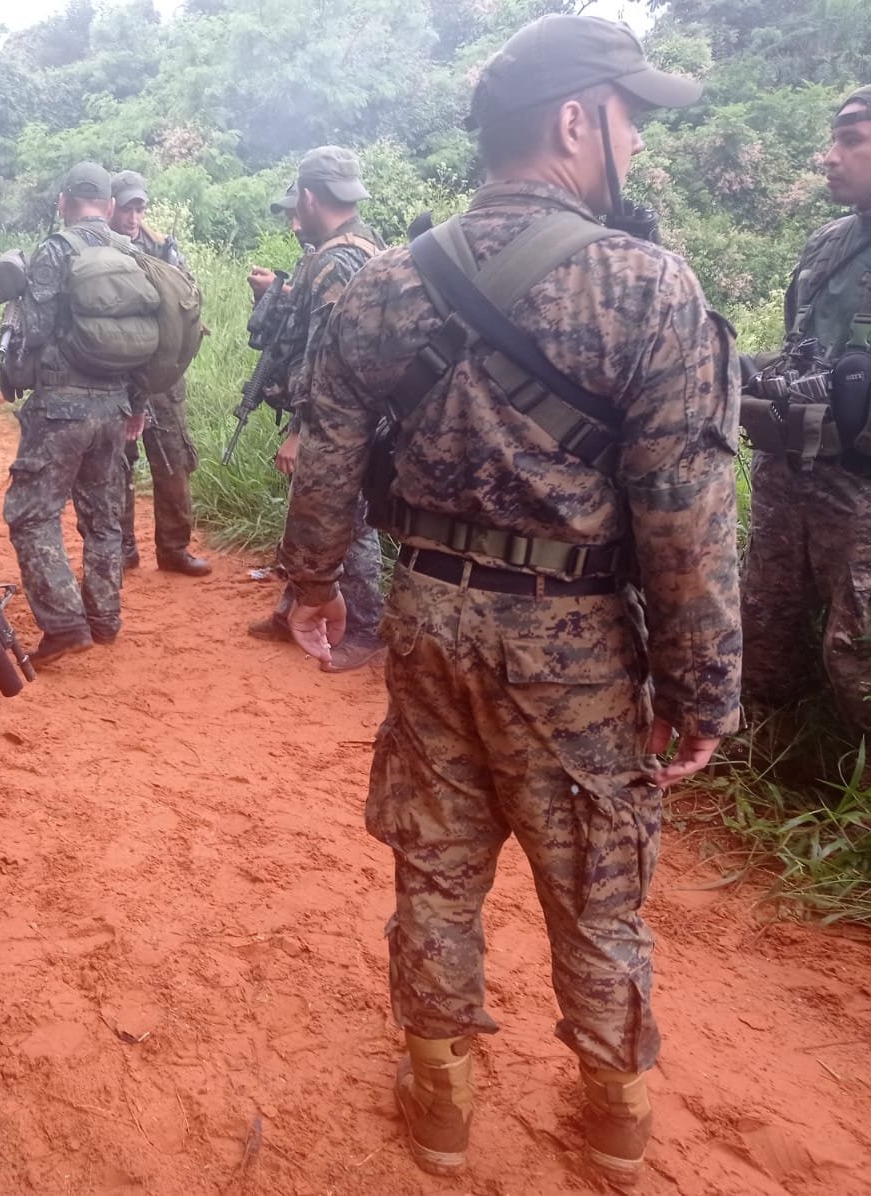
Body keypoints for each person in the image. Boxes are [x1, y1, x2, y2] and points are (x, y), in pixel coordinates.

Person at [279, 14, 740, 1184]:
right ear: (575, 120)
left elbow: (325, 453)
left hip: (429, 617)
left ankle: (438, 1104)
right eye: (629, 115)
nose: (634, 140)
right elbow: (683, 512)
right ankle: (616, 1121)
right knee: (596, 885)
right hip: (571, 642)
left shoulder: (382, 284)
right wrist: (700, 686)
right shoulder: (648, 287)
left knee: (433, 865)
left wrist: (314, 581)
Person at [740, 85, 871, 737]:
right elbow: (800, 348)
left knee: (859, 650)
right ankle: (770, 751)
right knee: (762, 619)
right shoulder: (827, 243)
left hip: (861, 485)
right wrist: (749, 373)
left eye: (851, 139)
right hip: (789, 470)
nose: (829, 157)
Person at [251, 151, 388, 672]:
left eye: (296, 203)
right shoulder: (355, 246)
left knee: (348, 523)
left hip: (341, 420)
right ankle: (295, 607)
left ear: (309, 197)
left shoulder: (336, 261)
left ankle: (366, 627)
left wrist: (300, 430)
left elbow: (325, 359)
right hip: (351, 413)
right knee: (310, 512)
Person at [3, 161, 141, 666]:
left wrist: (15, 372)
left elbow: (33, 331)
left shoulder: (55, 250)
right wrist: (137, 407)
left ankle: (63, 624)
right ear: (108, 207)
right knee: (104, 517)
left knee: (33, 514)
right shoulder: (129, 250)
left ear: (63, 202)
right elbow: (146, 343)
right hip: (115, 407)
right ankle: (104, 618)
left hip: (61, 409)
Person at [108, 169, 211, 577]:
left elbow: (189, 298)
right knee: (118, 462)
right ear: (111, 206)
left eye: (140, 208)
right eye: (127, 208)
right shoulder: (103, 250)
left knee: (173, 461)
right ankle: (122, 547)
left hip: (163, 377)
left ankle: (174, 549)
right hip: (119, 373)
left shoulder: (163, 250)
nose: (133, 217)